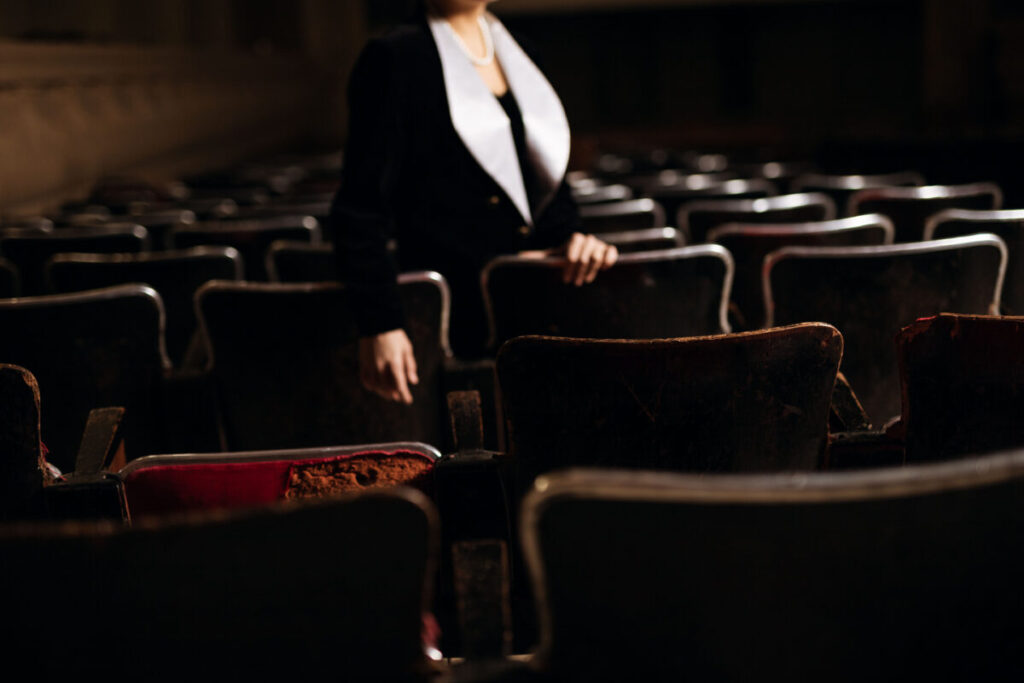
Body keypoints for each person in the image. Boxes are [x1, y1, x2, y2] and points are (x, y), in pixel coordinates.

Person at [330, 0, 617, 404]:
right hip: (455, 311)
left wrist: (572, 237)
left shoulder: (521, 49)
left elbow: (542, 179)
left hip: (533, 302)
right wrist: (379, 323)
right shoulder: (394, 56)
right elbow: (359, 209)